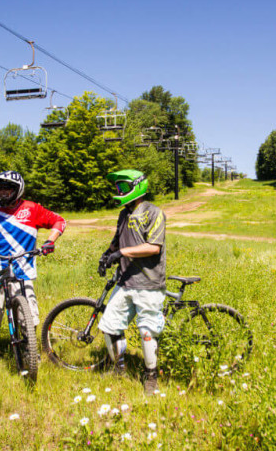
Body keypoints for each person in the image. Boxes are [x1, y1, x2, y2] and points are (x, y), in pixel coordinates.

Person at [0, 170, 65, 367]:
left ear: (18, 190)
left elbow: (59, 221)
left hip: (22, 270)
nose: (3, 192)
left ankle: (28, 349)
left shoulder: (32, 209)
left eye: (8, 188)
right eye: (0, 188)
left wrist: (50, 241)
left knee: (28, 312)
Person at [97, 169, 166, 395]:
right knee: (109, 326)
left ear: (137, 187)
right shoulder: (123, 214)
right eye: (117, 188)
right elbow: (116, 242)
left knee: (147, 332)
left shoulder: (154, 213)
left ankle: (151, 377)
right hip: (125, 283)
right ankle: (119, 368)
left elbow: (153, 247)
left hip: (149, 284)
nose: (119, 192)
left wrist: (122, 253)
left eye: (123, 187)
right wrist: (107, 255)